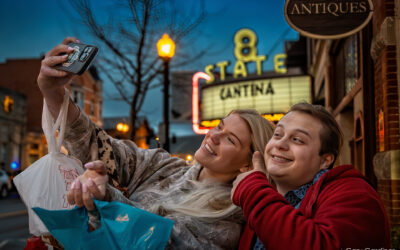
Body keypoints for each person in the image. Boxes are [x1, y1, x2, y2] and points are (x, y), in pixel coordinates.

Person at [37, 37, 275, 249]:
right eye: (219, 126)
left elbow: (161, 242)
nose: (214, 136)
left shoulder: (227, 220)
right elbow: (99, 147)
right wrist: (52, 91)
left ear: (248, 164)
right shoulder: (162, 165)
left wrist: (106, 197)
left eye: (230, 139)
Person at [231, 103, 390, 249]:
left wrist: (253, 191)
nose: (280, 144)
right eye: (278, 134)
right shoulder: (263, 193)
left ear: (325, 160)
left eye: (298, 140)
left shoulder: (356, 194)